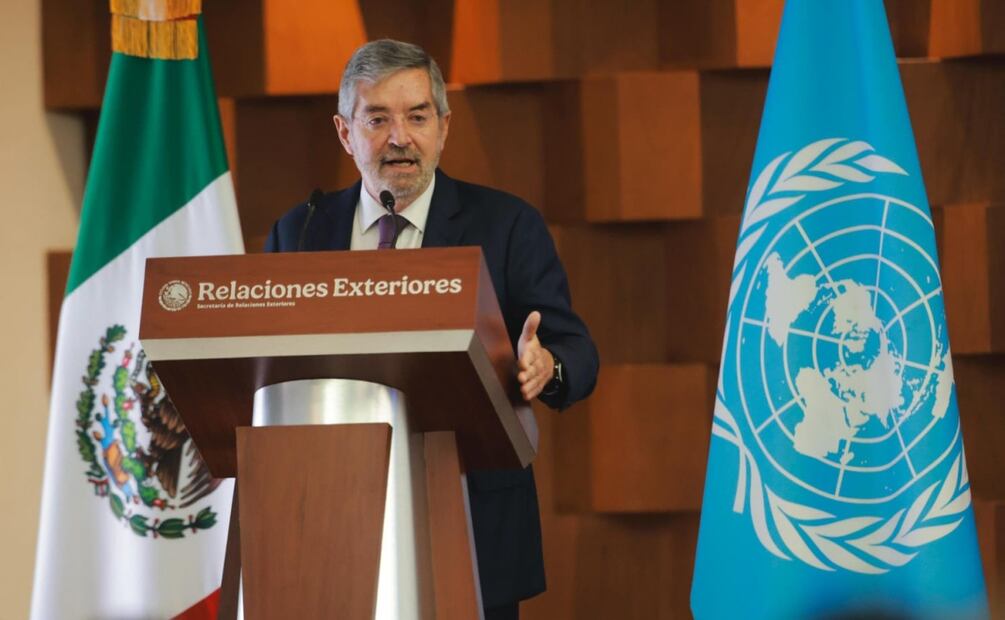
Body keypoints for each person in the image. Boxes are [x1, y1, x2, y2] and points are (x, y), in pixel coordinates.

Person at [265, 39, 599, 620]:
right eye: (378, 118)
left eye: (418, 116)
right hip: (329, 522)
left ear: (443, 127)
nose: (400, 137)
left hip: (470, 521)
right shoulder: (302, 231)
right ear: (345, 133)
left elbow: (577, 351)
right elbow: (267, 365)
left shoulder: (504, 224)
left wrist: (545, 366)